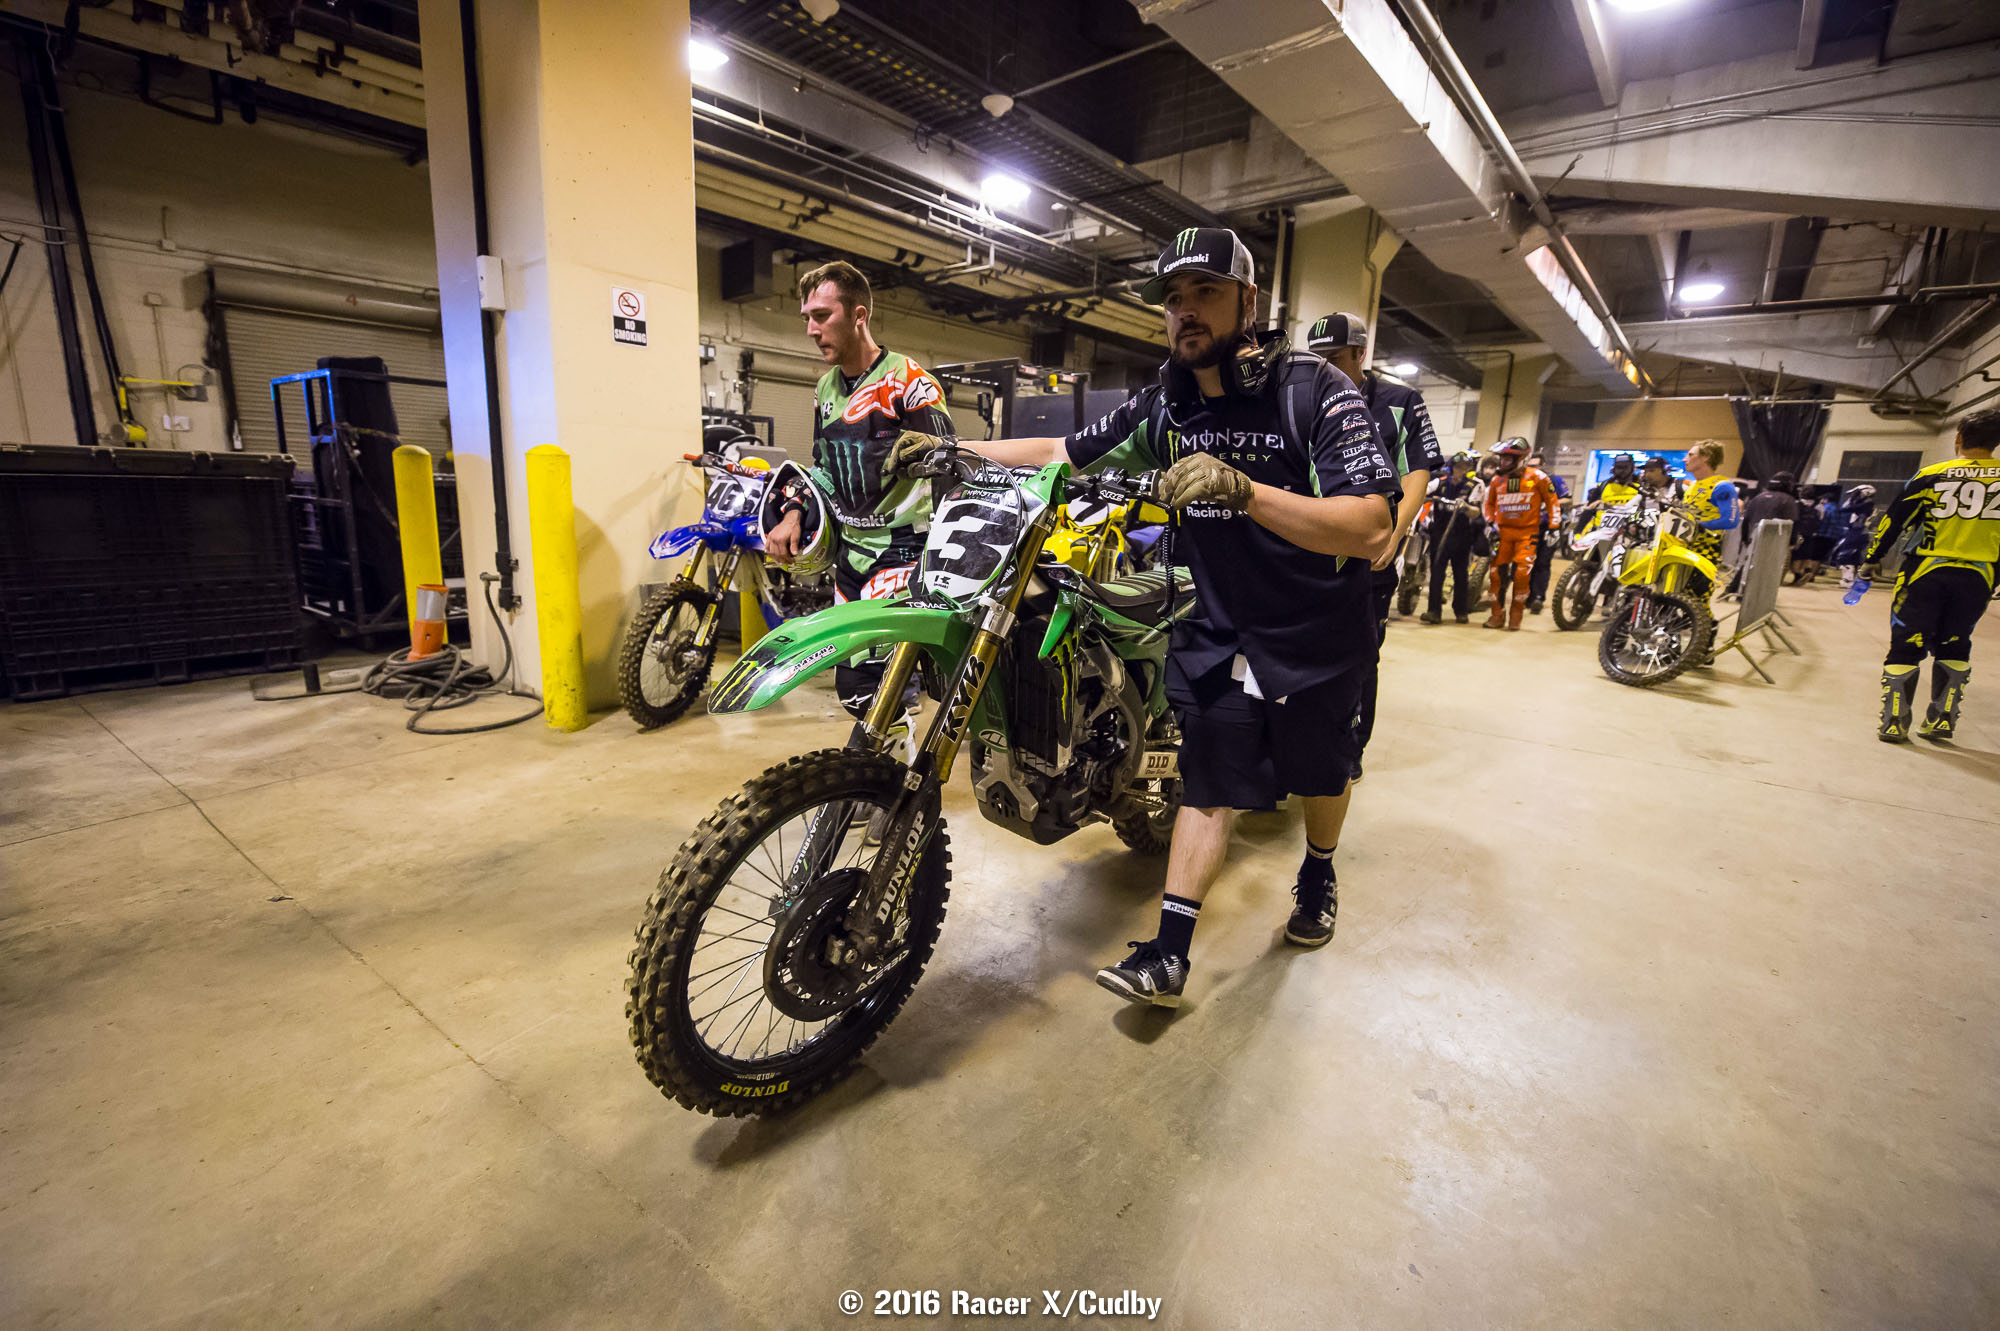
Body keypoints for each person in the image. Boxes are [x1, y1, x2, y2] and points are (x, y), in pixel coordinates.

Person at [958, 227, 1399, 1006]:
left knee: (1320, 773)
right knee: (1208, 779)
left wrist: (1244, 490)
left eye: (1205, 292)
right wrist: (956, 450)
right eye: (1172, 298)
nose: (1185, 311)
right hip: (1222, 628)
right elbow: (1064, 451)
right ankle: (1168, 951)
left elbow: (1370, 527)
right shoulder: (1169, 399)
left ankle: (1319, 872)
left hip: (1316, 630)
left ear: (1249, 303)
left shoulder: (1316, 391)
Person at [765, 260, 954, 734]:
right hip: (850, 556)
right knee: (856, 689)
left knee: (873, 684)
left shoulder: (911, 382)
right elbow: (822, 466)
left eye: (822, 315)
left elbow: (950, 465)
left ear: (859, 315)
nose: (811, 329)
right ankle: (889, 782)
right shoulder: (824, 388)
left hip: (903, 551)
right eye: (806, 317)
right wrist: (792, 512)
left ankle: (892, 791)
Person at [1304, 312, 1444, 780]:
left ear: (1361, 354)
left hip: (1368, 556)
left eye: (1336, 358)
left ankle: (1349, 746)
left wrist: (1395, 533)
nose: (1327, 366)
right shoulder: (1306, 395)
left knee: (1360, 654)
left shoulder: (1400, 402)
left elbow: (1417, 470)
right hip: (1309, 551)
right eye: (1318, 358)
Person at [1861, 408, 2000, 742]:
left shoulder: (1933, 474)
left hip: (1926, 572)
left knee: (1906, 645)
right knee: (1956, 643)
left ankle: (1894, 720)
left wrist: (1872, 559)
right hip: (1979, 577)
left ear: (1959, 438)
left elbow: (1893, 520)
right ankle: (1942, 719)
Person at [1481, 438, 1558, 630]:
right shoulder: (1497, 480)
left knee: (1523, 575)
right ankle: (1497, 616)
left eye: (1508, 459)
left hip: (1528, 533)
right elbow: (1488, 504)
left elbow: (1552, 502)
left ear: (1520, 459)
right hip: (1502, 534)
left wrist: (1554, 527)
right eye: (1502, 458)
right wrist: (1490, 523)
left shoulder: (1538, 477)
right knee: (1496, 576)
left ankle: (1516, 617)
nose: (1503, 462)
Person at [1420, 450, 1484, 624]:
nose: (1461, 470)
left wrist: (1465, 507)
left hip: (1461, 536)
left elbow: (1476, 511)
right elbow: (1423, 492)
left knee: (1460, 574)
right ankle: (1434, 611)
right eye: (1458, 466)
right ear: (1452, 467)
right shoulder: (1440, 482)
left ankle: (1461, 611)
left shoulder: (1474, 485)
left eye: (1465, 467)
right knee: (1436, 573)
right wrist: (1427, 499)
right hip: (1439, 534)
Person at [1680, 439, 1741, 598]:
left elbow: (1731, 520)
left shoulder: (1722, 486)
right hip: (1682, 547)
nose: (1684, 459)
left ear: (1706, 457)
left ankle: (1706, 623)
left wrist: (1701, 525)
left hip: (1705, 551)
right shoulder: (1692, 486)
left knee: (1697, 599)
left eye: (1690, 455)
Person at [1523, 453, 1571, 613]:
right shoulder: (1525, 480)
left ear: (1543, 465)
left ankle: (1538, 597)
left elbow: (1568, 499)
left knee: (1542, 562)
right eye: (1530, 466)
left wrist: (1549, 503)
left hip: (1549, 528)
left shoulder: (1554, 480)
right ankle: (1526, 595)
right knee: (1526, 562)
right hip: (1528, 526)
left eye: (1536, 466)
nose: (1533, 469)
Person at [1830, 485, 1878, 587]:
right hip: (1856, 532)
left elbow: (1848, 508)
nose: (1855, 496)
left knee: (1845, 555)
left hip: (1858, 532)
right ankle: (1852, 580)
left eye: (1857, 493)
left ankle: (1848, 580)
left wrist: (1842, 507)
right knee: (1853, 557)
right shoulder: (1862, 504)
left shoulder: (1868, 504)